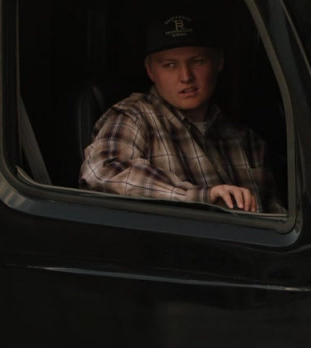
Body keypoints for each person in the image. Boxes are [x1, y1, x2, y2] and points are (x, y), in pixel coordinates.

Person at [81, 12, 275, 212]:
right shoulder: (134, 117)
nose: (186, 77)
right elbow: (102, 172)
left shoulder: (246, 140)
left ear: (219, 62)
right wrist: (202, 196)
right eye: (170, 65)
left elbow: (276, 216)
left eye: (197, 61)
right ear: (150, 71)